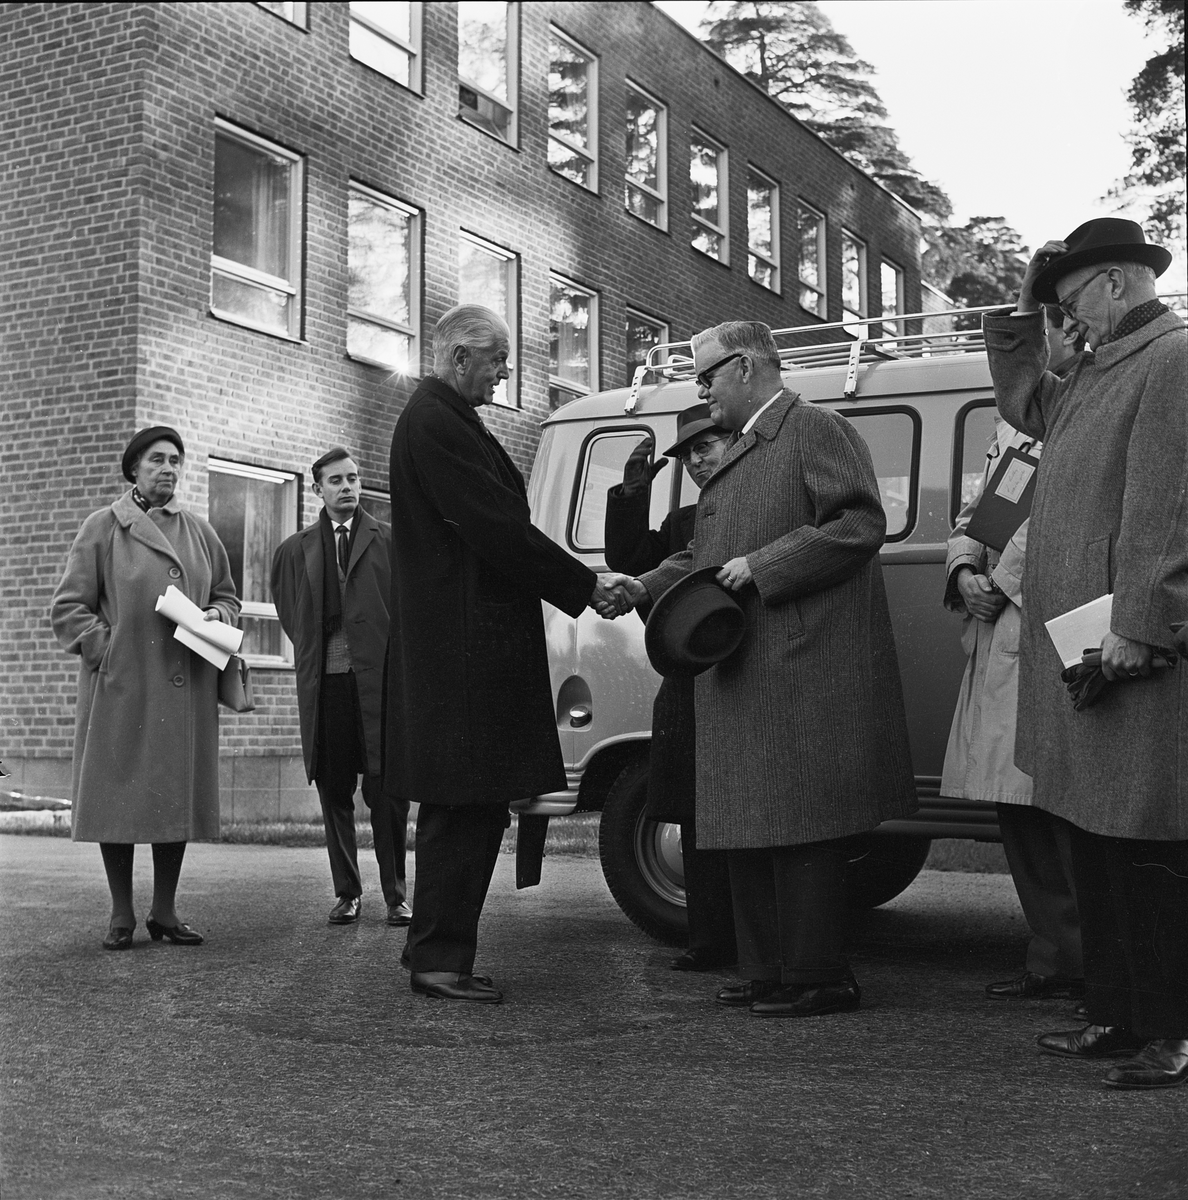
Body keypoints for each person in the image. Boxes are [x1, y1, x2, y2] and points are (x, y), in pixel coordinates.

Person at [620, 321, 917, 1018]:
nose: (700, 389)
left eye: (706, 375)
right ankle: (768, 971)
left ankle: (818, 976)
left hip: (797, 666)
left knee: (798, 827)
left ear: (747, 366)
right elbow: (705, 552)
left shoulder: (813, 429)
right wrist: (643, 585)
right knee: (747, 823)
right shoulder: (747, 446)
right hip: (746, 666)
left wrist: (762, 566)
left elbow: (858, 524)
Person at [984, 217, 1187, 1090]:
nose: (1070, 326)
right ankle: (1114, 1014)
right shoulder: (1095, 371)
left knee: (1147, 851)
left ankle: (1169, 1032)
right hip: (1080, 652)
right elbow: (1021, 398)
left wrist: (1144, 623)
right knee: (1096, 845)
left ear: (1114, 285)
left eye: (1073, 306)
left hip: (1127, 650)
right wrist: (1025, 307)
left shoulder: (1173, 358)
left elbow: (1168, 505)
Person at [387, 303, 632, 1004]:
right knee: (464, 808)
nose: (502, 375)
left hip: (464, 649)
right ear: (460, 358)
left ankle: (435, 947)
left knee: (467, 806)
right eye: (496, 362)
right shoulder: (437, 421)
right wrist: (585, 585)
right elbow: (495, 528)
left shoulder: (443, 420)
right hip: (464, 654)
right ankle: (439, 960)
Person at [51, 427, 240, 950]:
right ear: (134, 468)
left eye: (176, 461)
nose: (168, 470)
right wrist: (105, 649)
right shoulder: (104, 528)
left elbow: (228, 596)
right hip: (125, 688)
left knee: (171, 795)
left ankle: (165, 910)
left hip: (183, 688)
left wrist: (215, 614)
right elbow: (68, 607)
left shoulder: (200, 532)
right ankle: (120, 913)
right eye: (157, 460)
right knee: (119, 798)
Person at [942, 309, 1083, 1002]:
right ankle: (1050, 954)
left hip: (1042, 625)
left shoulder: (1080, 408)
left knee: (1054, 805)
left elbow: (1070, 514)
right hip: (997, 631)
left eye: (1045, 335)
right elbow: (975, 513)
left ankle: (1083, 958)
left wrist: (999, 582)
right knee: (1014, 809)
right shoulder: (1008, 426)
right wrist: (964, 570)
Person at [604, 404, 737, 971]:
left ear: (735, 442)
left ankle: (748, 937)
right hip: (689, 684)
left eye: (707, 447)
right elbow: (632, 563)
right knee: (692, 812)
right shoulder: (684, 523)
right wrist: (630, 497)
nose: (698, 462)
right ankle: (706, 938)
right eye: (688, 455)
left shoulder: (760, 505)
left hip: (740, 678)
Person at [271, 447, 410, 929]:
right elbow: (291, 614)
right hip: (327, 687)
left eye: (352, 478)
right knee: (334, 790)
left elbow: (403, 612)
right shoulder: (295, 549)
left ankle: (396, 895)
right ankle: (347, 892)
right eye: (336, 480)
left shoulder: (389, 541)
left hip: (379, 687)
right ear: (318, 489)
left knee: (387, 791)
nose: (347, 487)